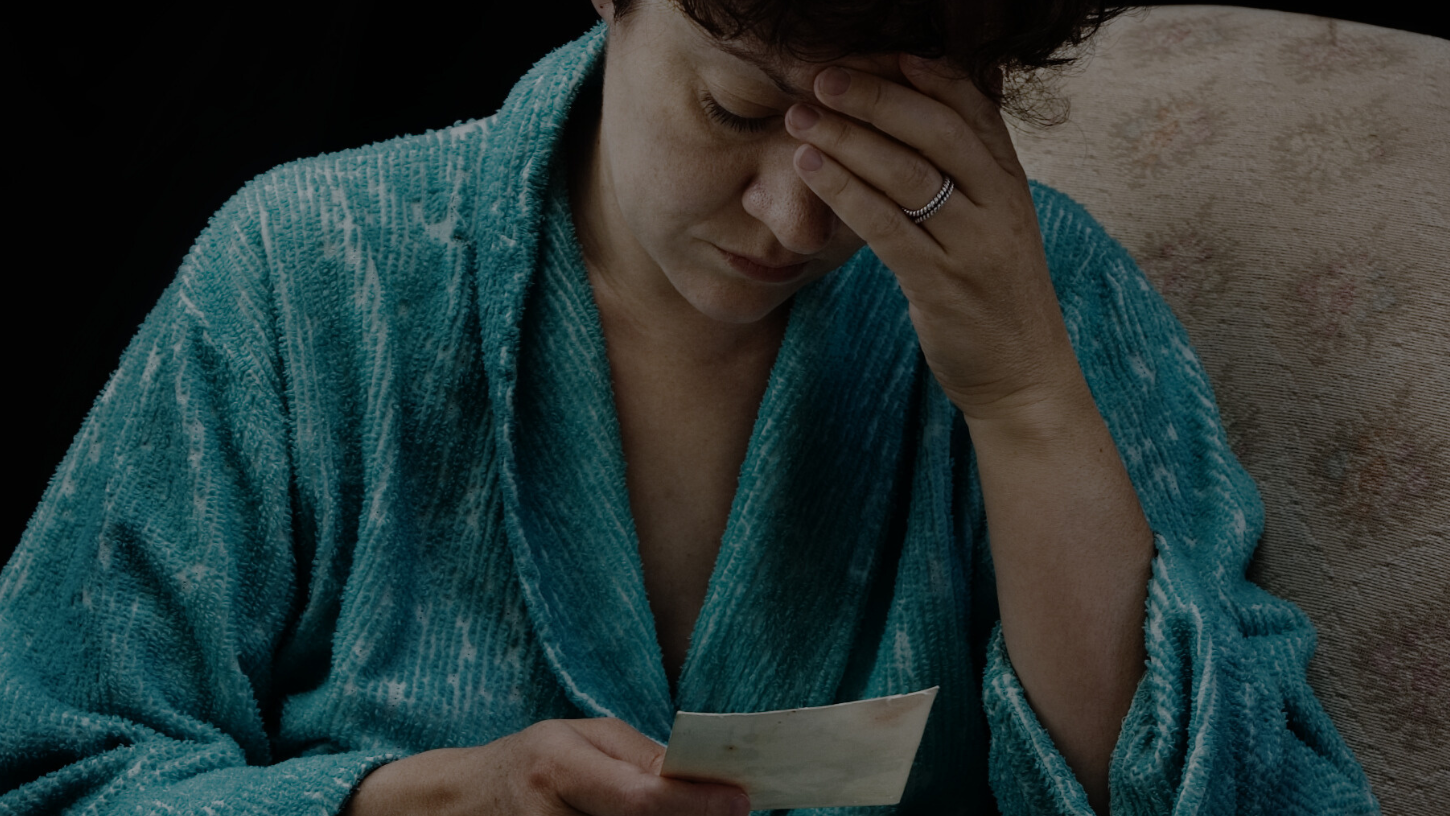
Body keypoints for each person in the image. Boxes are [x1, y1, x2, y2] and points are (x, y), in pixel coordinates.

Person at [0, 1, 1380, 814]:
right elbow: (49, 767)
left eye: (876, 141)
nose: (794, 218)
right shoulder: (309, 276)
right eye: (733, 110)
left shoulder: (1047, 298)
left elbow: (1237, 795)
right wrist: (404, 802)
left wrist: (1023, 401)